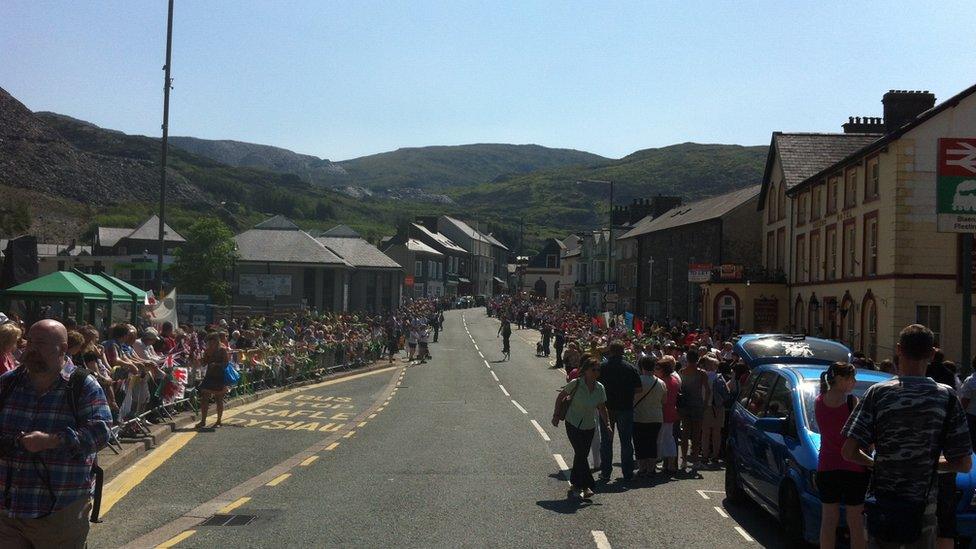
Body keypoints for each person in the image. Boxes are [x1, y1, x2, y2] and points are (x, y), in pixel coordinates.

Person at [843, 324, 972, 549]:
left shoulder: (878, 393)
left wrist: (878, 463)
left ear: (899, 350)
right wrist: (928, 464)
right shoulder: (946, 398)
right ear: (932, 354)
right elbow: (963, 463)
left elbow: (849, 451)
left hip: (883, 506)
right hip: (922, 510)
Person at [0, 319, 112, 547]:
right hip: (8, 511)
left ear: (61, 348)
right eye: (29, 341)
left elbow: (100, 433)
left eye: (39, 343)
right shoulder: (8, 383)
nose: (30, 348)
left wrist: (51, 441)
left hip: (60, 510)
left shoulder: (83, 385)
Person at [816, 361, 867, 549]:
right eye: (851, 377)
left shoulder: (819, 400)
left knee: (829, 519)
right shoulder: (852, 401)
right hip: (852, 466)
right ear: (840, 379)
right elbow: (859, 432)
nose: (854, 381)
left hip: (827, 465)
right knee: (855, 521)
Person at [551, 356, 610, 499]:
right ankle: (587, 485)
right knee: (581, 453)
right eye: (593, 369)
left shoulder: (599, 387)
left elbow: (602, 407)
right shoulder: (575, 383)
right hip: (573, 423)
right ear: (586, 370)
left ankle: (576, 482)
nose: (596, 372)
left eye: (598, 370)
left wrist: (607, 424)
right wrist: (556, 415)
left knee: (581, 454)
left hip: (589, 425)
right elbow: (560, 397)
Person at [597, 341, 642, 482]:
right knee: (626, 441)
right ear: (623, 352)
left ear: (610, 351)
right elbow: (639, 389)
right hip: (625, 408)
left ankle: (605, 472)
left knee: (606, 441)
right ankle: (627, 473)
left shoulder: (602, 367)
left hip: (607, 407)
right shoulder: (630, 368)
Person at [632, 355, 666, 477]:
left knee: (639, 443)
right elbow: (664, 401)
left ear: (641, 367)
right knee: (652, 442)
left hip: (639, 416)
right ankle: (651, 468)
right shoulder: (661, 382)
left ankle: (642, 468)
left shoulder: (637, 381)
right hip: (656, 416)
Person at [678, 348, 710, 472]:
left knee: (685, 433)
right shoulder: (702, 373)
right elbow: (707, 390)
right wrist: (706, 404)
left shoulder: (681, 371)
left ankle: (684, 460)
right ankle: (695, 460)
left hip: (684, 405)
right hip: (697, 405)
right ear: (697, 360)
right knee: (696, 434)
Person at [195, 332, 229, 429]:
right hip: (209, 376)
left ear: (216, 340)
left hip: (219, 376)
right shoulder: (207, 350)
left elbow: (226, 364)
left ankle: (218, 421)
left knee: (219, 399)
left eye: (212, 341)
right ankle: (203, 421)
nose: (210, 343)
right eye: (209, 342)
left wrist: (217, 364)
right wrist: (201, 360)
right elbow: (204, 363)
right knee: (204, 397)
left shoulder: (222, 350)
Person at [700, 355, 728, 466]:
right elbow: (726, 393)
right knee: (717, 433)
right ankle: (715, 456)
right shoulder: (719, 378)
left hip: (704, 407)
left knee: (705, 434)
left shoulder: (701, 377)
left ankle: (705, 456)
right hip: (718, 408)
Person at [655, 356, 681, 474]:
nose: (656, 371)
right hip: (671, 412)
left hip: (664, 412)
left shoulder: (663, 382)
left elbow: (661, 400)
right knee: (668, 438)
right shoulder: (674, 380)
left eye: (658, 369)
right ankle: (669, 464)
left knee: (665, 439)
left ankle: (669, 464)